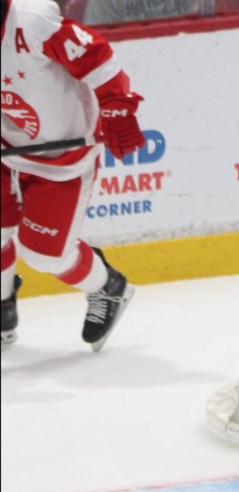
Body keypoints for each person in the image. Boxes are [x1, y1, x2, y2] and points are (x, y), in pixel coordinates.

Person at [1, 0, 143, 351]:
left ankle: (107, 287)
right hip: (5, 147)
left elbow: (97, 57)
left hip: (62, 157)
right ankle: (3, 307)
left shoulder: (33, 20)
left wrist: (116, 106)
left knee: (44, 257)